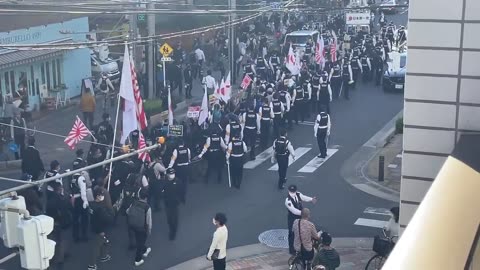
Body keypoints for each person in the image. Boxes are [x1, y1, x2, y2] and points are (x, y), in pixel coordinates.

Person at [46, 182, 72, 270]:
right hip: (59, 222)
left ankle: (51, 257)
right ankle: (60, 259)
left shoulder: (50, 199)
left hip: (50, 222)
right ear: (59, 190)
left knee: (52, 240)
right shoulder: (61, 199)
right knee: (60, 241)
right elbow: (67, 208)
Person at [285, 185, 317, 255]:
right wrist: (304, 213)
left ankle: (300, 246)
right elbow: (294, 211)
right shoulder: (288, 201)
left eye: (294, 191)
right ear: (288, 191)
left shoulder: (298, 194)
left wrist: (311, 199)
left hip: (301, 216)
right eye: (291, 191)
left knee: (302, 230)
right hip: (292, 218)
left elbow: (304, 197)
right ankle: (292, 250)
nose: (293, 193)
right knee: (292, 233)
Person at [88, 186, 114, 270]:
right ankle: (91, 265)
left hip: (94, 228)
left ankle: (104, 256)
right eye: (101, 195)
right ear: (97, 196)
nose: (103, 196)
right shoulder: (100, 208)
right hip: (99, 230)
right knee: (95, 248)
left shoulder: (92, 205)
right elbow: (108, 218)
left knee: (104, 243)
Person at [126, 188, 152, 266]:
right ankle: (138, 260)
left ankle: (145, 250)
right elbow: (148, 221)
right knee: (140, 243)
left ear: (139, 195)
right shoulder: (147, 207)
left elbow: (127, 211)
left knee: (139, 240)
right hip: (142, 228)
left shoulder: (133, 203)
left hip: (133, 226)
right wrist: (149, 230)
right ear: (146, 197)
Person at [168, 139, 191, 204]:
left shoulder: (176, 150)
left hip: (179, 168)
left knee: (177, 182)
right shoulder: (187, 149)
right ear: (183, 143)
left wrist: (169, 167)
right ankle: (183, 197)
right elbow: (189, 158)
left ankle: (177, 196)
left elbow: (173, 160)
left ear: (178, 144)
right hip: (186, 168)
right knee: (184, 183)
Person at [71, 168, 90, 243]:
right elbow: (83, 191)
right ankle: (84, 235)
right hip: (80, 199)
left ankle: (75, 236)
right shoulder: (81, 178)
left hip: (74, 199)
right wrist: (85, 201)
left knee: (75, 218)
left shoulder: (72, 178)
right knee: (84, 218)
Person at [163, 168, 181, 240]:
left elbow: (181, 191)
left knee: (174, 218)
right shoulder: (165, 181)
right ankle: (171, 228)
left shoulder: (177, 181)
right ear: (167, 174)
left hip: (175, 203)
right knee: (169, 219)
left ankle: (173, 232)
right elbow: (163, 191)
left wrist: (179, 199)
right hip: (167, 203)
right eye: (170, 174)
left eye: (173, 174)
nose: (172, 175)